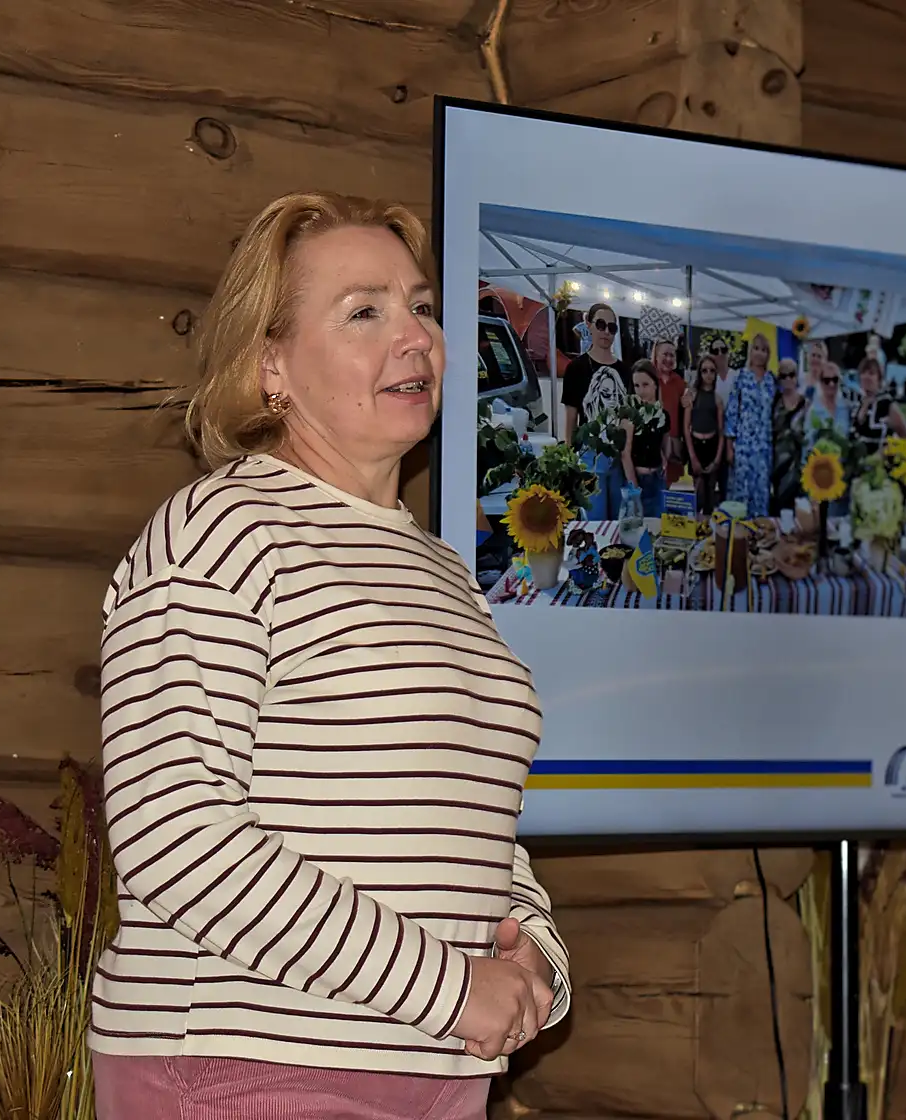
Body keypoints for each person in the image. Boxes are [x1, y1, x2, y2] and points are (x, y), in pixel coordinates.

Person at [89, 190, 570, 1119]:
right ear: (270, 363)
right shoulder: (220, 530)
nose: (416, 337)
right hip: (247, 1066)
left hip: (440, 1071)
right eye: (364, 312)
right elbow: (175, 836)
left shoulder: (443, 569)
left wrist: (534, 959)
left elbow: (468, 823)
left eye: (421, 306)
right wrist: (449, 989)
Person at [561, 302, 628, 518]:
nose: (606, 331)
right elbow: (571, 419)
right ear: (588, 325)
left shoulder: (624, 370)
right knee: (594, 521)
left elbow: (627, 417)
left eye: (612, 327)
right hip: (588, 455)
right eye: (601, 325)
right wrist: (570, 461)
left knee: (619, 521)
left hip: (618, 457)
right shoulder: (576, 368)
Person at [723, 330, 777, 519]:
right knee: (741, 492)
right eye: (756, 348)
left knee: (761, 492)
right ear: (750, 351)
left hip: (764, 447)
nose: (759, 353)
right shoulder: (741, 377)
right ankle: (738, 531)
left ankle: (760, 530)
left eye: (764, 350)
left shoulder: (771, 381)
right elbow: (731, 413)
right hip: (743, 446)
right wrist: (729, 446)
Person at [620, 358, 668, 516]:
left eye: (645, 384)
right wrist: (634, 489)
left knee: (659, 524)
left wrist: (664, 461)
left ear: (655, 384)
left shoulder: (662, 414)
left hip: (658, 477)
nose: (641, 391)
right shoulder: (630, 415)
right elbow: (625, 454)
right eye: (637, 385)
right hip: (638, 478)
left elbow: (661, 444)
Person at [684, 352, 727, 515]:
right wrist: (692, 457)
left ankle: (708, 525)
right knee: (698, 493)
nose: (708, 374)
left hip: (712, 446)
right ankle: (695, 523)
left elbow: (721, 431)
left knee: (710, 492)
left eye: (712, 370)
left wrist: (717, 458)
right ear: (699, 373)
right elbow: (686, 428)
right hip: (696, 445)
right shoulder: (692, 395)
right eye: (704, 370)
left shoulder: (717, 399)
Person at [769, 358, 809, 514]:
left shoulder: (806, 404)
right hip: (778, 465)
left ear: (797, 376)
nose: (787, 379)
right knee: (780, 510)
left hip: (799, 466)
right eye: (783, 376)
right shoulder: (774, 402)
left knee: (799, 511)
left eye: (791, 375)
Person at [851, 354, 906, 458]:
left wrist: (886, 451)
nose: (866, 377)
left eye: (871, 373)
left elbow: (904, 435)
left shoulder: (886, 402)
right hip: (860, 462)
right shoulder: (858, 403)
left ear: (879, 378)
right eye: (863, 373)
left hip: (881, 462)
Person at [650, 337, 687, 485]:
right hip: (653, 444)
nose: (669, 359)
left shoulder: (679, 382)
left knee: (669, 488)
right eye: (665, 354)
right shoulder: (649, 379)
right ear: (656, 355)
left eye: (672, 355)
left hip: (673, 445)